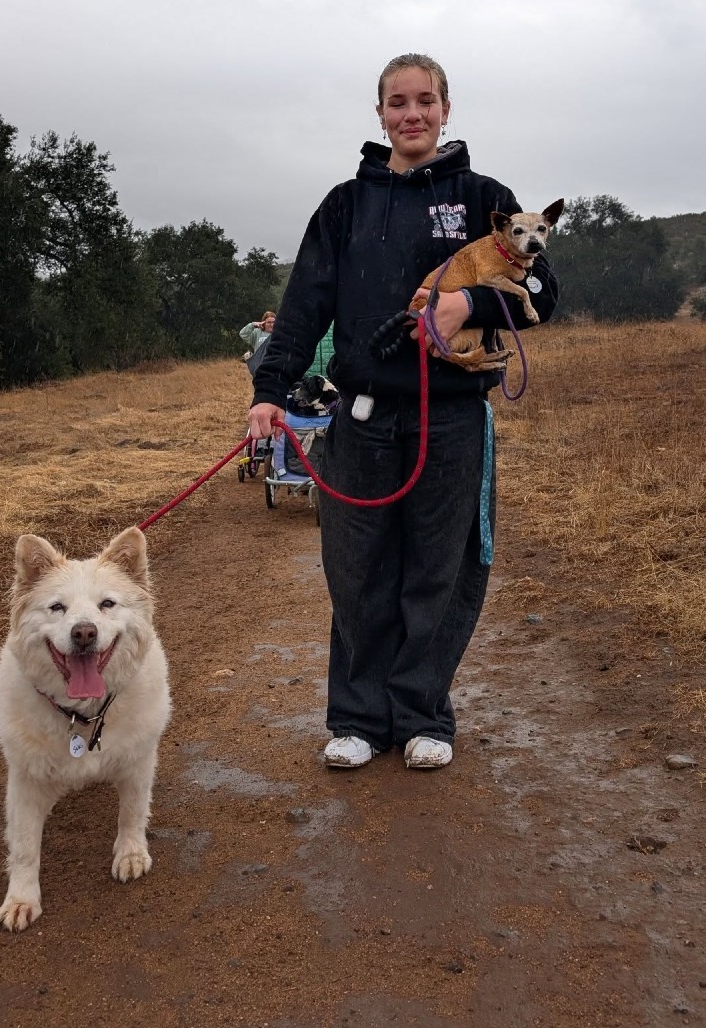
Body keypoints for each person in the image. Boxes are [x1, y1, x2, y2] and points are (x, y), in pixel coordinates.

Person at [248, 54, 559, 770]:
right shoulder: (344, 204)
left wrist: (469, 302)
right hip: (359, 419)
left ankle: (423, 716)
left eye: (425, 101)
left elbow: (543, 289)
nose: (411, 114)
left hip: (451, 418)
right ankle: (357, 718)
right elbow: (302, 310)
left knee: (438, 570)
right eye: (397, 102)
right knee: (356, 569)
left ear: (446, 109)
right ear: (380, 113)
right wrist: (269, 392)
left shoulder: (486, 196)